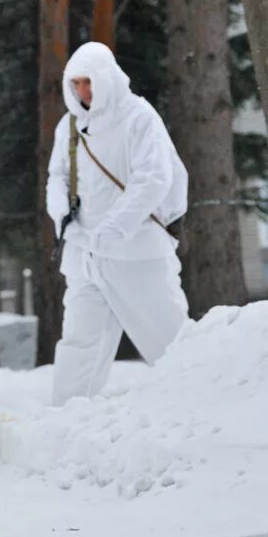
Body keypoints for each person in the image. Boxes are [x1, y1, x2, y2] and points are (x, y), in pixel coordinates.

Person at [46, 42, 189, 407]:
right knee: (79, 345)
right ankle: (63, 424)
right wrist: (62, 215)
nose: (83, 92)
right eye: (76, 83)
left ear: (107, 79)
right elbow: (57, 177)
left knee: (171, 341)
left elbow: (153, 179)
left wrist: (114, 227)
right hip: (85, 257)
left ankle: (201, 409)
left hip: (137, 253)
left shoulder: (140, 117)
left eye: (89, 82)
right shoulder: (70, 125)